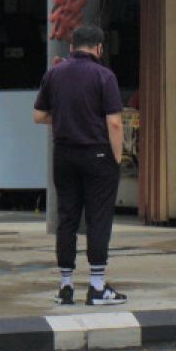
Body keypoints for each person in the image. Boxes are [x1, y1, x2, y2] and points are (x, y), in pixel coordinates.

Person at [34, 23, 127, 306]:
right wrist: (118, 157)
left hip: (64, 155)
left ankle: (66, 286)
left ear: (71, 47)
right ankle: (97, 286)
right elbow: (114, 122)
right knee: (98, 217)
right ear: (99, 48)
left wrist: (64, 120)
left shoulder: (54, 74)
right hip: (97, 154)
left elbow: (39, 116)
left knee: (67, 218)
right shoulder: (104, 76)